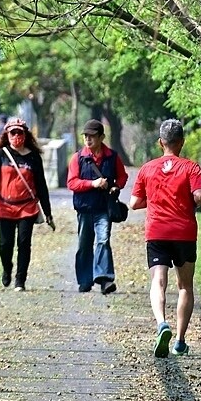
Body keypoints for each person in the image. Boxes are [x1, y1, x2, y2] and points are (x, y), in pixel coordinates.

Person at [129, 119, 201, 358]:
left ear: (160, 143)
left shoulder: (147, 169)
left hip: (157, 232)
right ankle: (180, 341)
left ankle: (162, 323)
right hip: (184, 233)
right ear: (181, 142)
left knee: (158, 282)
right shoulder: (192, 168)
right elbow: (200, 196)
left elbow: (133, 204)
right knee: (185, 286)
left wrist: (153, 200)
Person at [0, 118, 55, 291]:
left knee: (24, 243)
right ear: (7, 135)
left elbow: (41, 185)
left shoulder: (33, 158)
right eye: (13, 133)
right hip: (4, 206)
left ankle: (20, 280)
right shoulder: (1, 155)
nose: (16, 136)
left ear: (25, 135)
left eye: (20, 132)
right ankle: (7, 268)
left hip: (27, 207)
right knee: (5, 244)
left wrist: (47, 213)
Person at [67, 119, 128, 294]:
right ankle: (85, 281)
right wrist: (92, 184)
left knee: (103, 240)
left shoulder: (112, 157)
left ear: (101, 137)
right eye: (86, 136)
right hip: (84, 209)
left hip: (103, 208)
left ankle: (105, 279)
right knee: (84, 244)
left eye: (92, 136)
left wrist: (116, 186)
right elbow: (72, 183)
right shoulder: (77, 158)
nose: (88, 139)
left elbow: (122, 176)